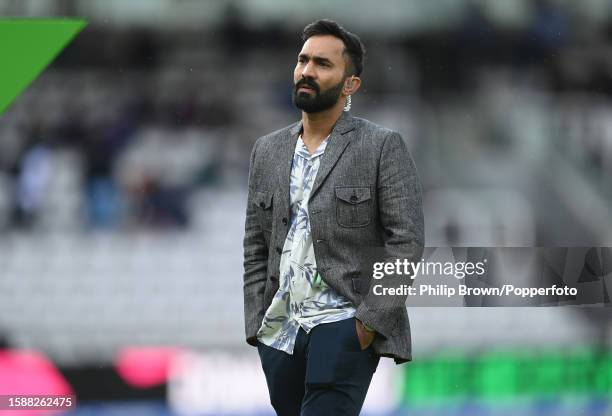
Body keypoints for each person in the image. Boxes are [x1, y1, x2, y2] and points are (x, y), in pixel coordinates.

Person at [243, 19, 424, 415]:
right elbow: (255, 246)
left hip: (344, 326)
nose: (307, 71)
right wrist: (257, 324)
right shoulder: (267, 151)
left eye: (323, 64)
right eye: (303, 60)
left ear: (350, 84)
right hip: (280, 334)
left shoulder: (381, 146)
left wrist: (366, 325)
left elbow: (406, 244)